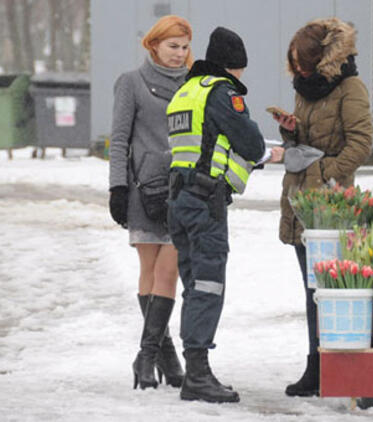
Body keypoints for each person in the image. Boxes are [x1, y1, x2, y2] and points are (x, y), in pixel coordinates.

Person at [166, 26, 282, 404]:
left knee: (193, 285)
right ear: (233, 66)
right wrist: (267, 152)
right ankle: (197, 374)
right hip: (204, 202)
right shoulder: (221, 92)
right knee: (208, 284)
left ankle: (193, 369)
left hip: (179, 201)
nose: (241, 77)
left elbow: (205, 143)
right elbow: (247, 141)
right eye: (241, 70)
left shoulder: (186, 91)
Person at [274, 17, 373, 397]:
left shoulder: (351, 88)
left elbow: (360, 144)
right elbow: (308, 134)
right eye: (294, 62)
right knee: (310, 290)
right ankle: (316, 369)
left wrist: (324, 172)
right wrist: (290, 129)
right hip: (301, 199)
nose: (297, 69)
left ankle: (335, 369)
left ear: (322, 58)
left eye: (303, 61)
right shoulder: (305, 88)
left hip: (332, 202)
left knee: (330, 292)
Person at [108, 15, 194, 390]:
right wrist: (117, 188)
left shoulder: (196, 84)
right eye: (172, 46)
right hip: (145, 189)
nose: (179, 54)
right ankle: (166, 354)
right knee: (149, 267)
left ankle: (148, 356)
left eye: (185, 47)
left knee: (169, 270)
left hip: (184, 189)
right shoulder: (131, 82)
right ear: (154, 45)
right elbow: (119, 139)